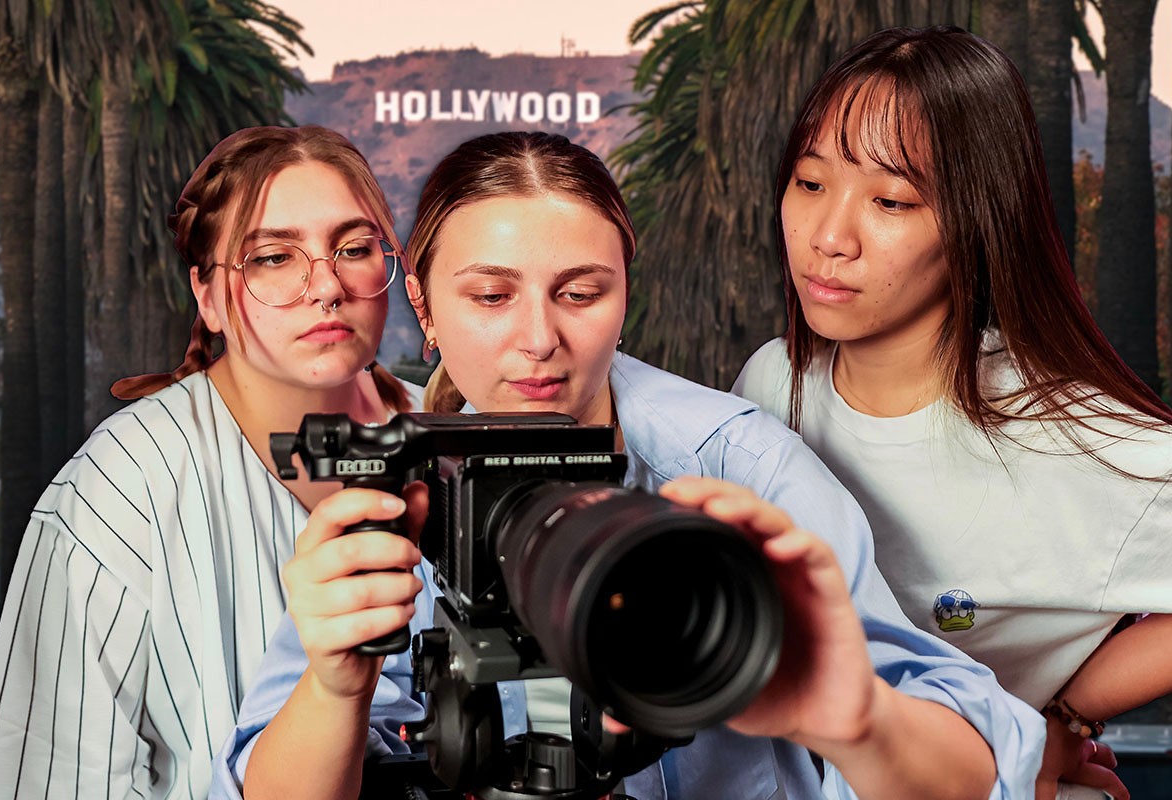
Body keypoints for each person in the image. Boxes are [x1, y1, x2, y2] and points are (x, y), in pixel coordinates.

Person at [213, 131, 1044, 800]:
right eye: (491, 297)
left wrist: (858, 721)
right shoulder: (399, 490)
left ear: (623, 296)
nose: (539, 340)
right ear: (424, 305)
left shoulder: (740, 470)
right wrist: (332, 688)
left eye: (580, 293)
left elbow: (982, 768)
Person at [731, 25, 1172, 800]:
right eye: (811, 183)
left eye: (890, 200)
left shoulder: (1067, 437)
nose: (828, 237)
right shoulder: (774, 383)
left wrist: (1060, 715)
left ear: (977, 220)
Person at [0, 126, 417, 799]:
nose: (325, 286)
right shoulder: (119, 491)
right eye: (272, 257)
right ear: (207, 296)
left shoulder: (457, 436)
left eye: (352, 248)